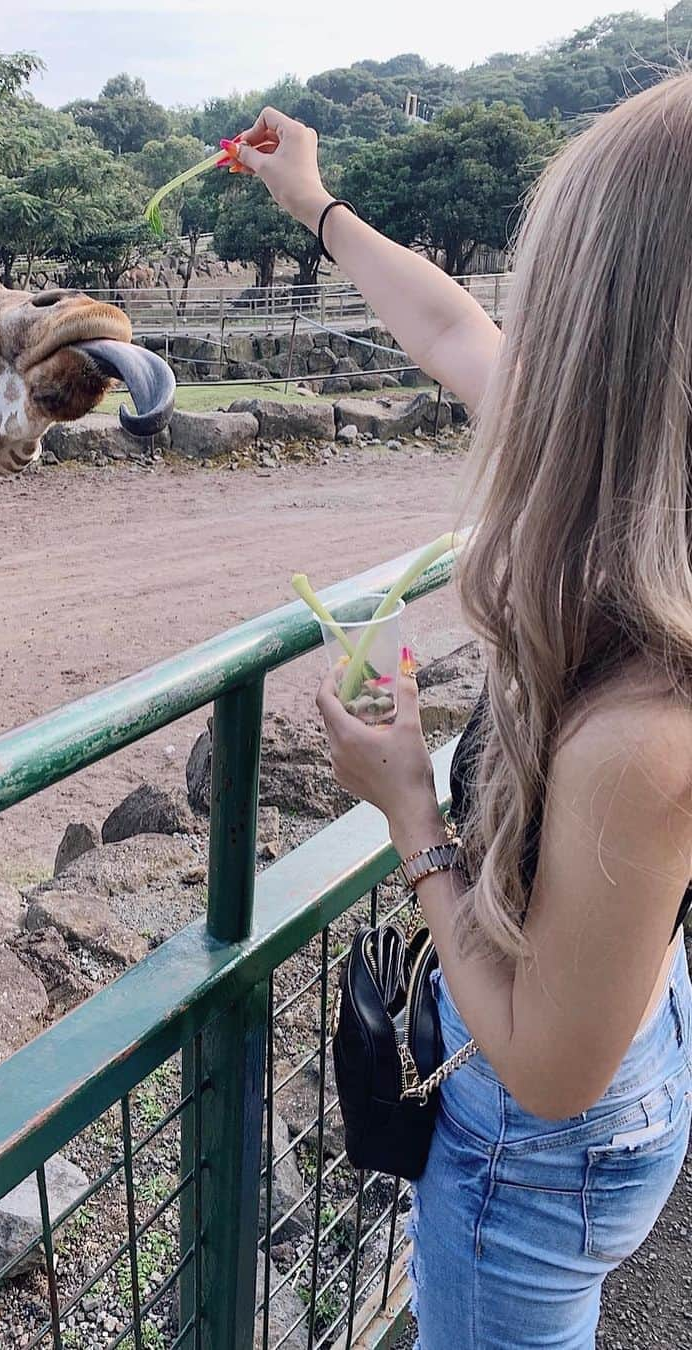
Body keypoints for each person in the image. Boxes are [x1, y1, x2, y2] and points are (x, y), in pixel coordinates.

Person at [236, 77, 692, 1349]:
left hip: (543, 1146)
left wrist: (412, 812)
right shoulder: (640, 505)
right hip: (639, 1032)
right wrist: (313, 202)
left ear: (603, 331)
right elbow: (445, 327)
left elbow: (549, 1070)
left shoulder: (650, 724)